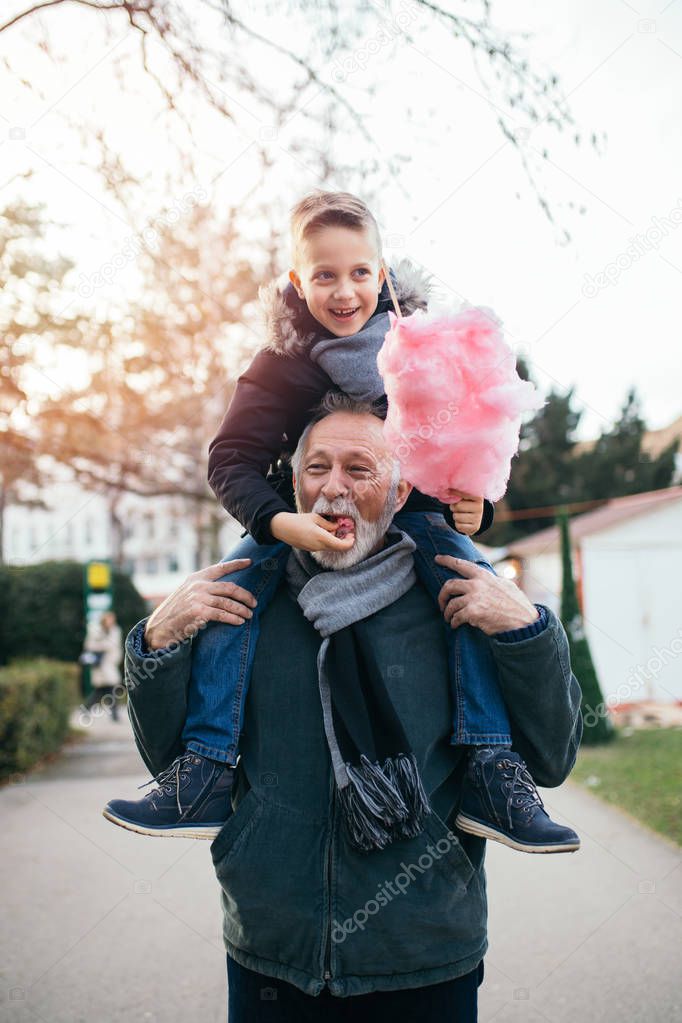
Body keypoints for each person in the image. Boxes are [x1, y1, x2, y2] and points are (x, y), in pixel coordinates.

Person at [103, 190, 578, 853]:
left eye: (359, 272)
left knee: (474, 588)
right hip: (292, 518)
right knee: (231, 591)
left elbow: (463, 445)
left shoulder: (418, 349)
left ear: (382, 272)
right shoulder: (280, 364)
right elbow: (230, 459)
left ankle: (491, 768)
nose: (344, 290)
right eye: (324, 274)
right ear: (298, 281)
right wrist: (277, 524)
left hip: (416, 512)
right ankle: (207, 767)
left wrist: (477, 504)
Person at [109, 399, 582, 1021]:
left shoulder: (460, 599)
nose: (333, 488)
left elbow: (551, 759)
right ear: (292, 484)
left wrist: (526, 631)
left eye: (359, 469)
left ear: (400, 487)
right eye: (317, 468)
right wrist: (155, 642)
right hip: (272, 955)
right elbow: (169, 758)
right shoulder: (242, 603)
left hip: (426, 954)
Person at [82, 611, 123, 721]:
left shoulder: (115, 630)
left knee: (110, 689)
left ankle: (113, 714)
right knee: (102, 690)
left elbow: (114, 646)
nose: (111, 622)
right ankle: (87, 708)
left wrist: (102, 645)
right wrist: (103, 645)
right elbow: (89, 645)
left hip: (110, 664)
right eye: (109, 619)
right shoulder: (96, 631)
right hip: (99, 666)